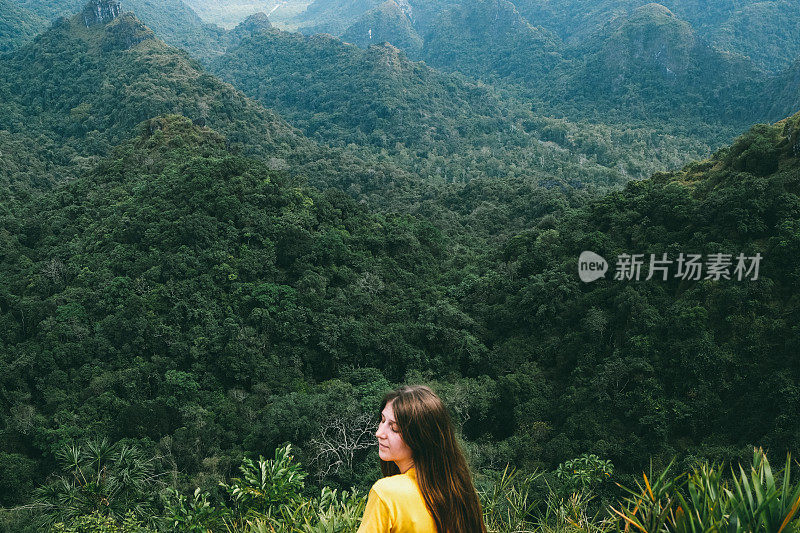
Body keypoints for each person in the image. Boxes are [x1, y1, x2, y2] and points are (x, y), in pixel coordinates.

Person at [357, 385, 487, 532]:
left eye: (394, 428)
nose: (379, 433)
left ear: (420, 437)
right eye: (382, 420)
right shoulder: (458, 492)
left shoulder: (386, 494)